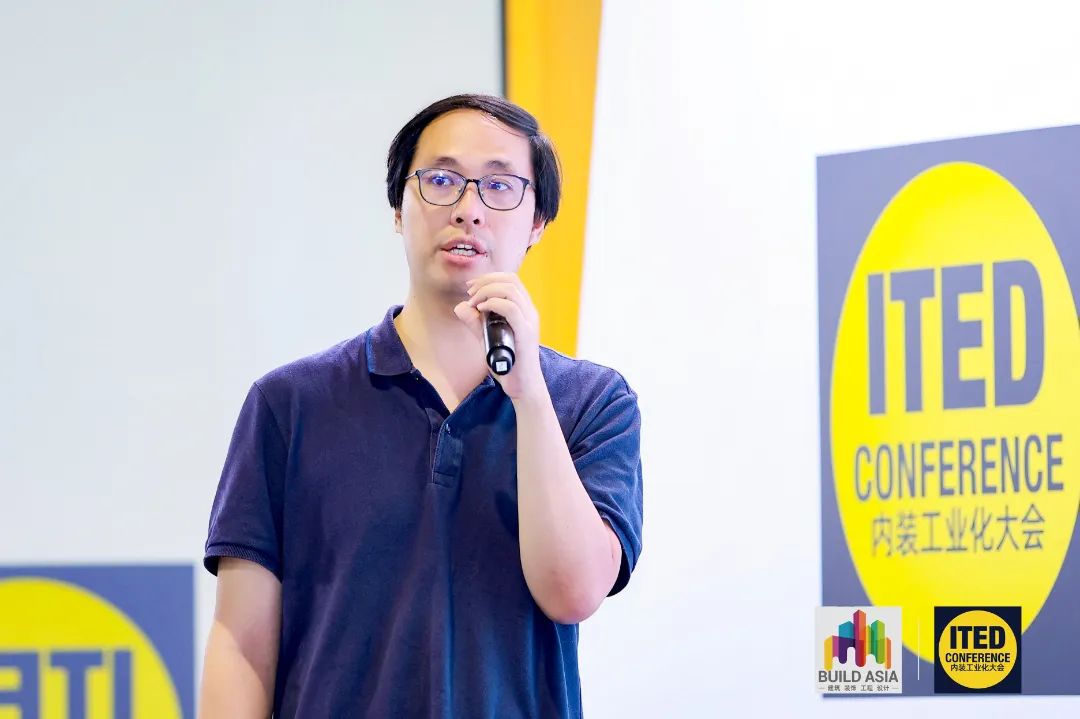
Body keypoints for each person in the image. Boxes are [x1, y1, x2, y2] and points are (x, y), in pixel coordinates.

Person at [198, 94, 643, 718]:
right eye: (440, 180)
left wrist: (529, 394)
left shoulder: (593, 402)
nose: (468, 209)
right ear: (398, 209)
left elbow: (573, 593)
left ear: (538, 222)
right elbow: (241, 645)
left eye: (500, 186)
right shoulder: (291, 404)